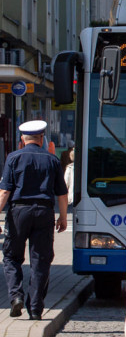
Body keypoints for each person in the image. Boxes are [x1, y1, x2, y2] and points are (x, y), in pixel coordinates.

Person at [0, 120, 68, 321]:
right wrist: (63, 217)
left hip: (18, 213)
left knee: (11, 257)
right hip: (44, 213)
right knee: (41, 260)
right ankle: (36, 309)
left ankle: (16, 297)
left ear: (22, 139)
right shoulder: (52, 160)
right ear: (42, 138)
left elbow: (5, 191)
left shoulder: (13, 158)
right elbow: (62, 194)